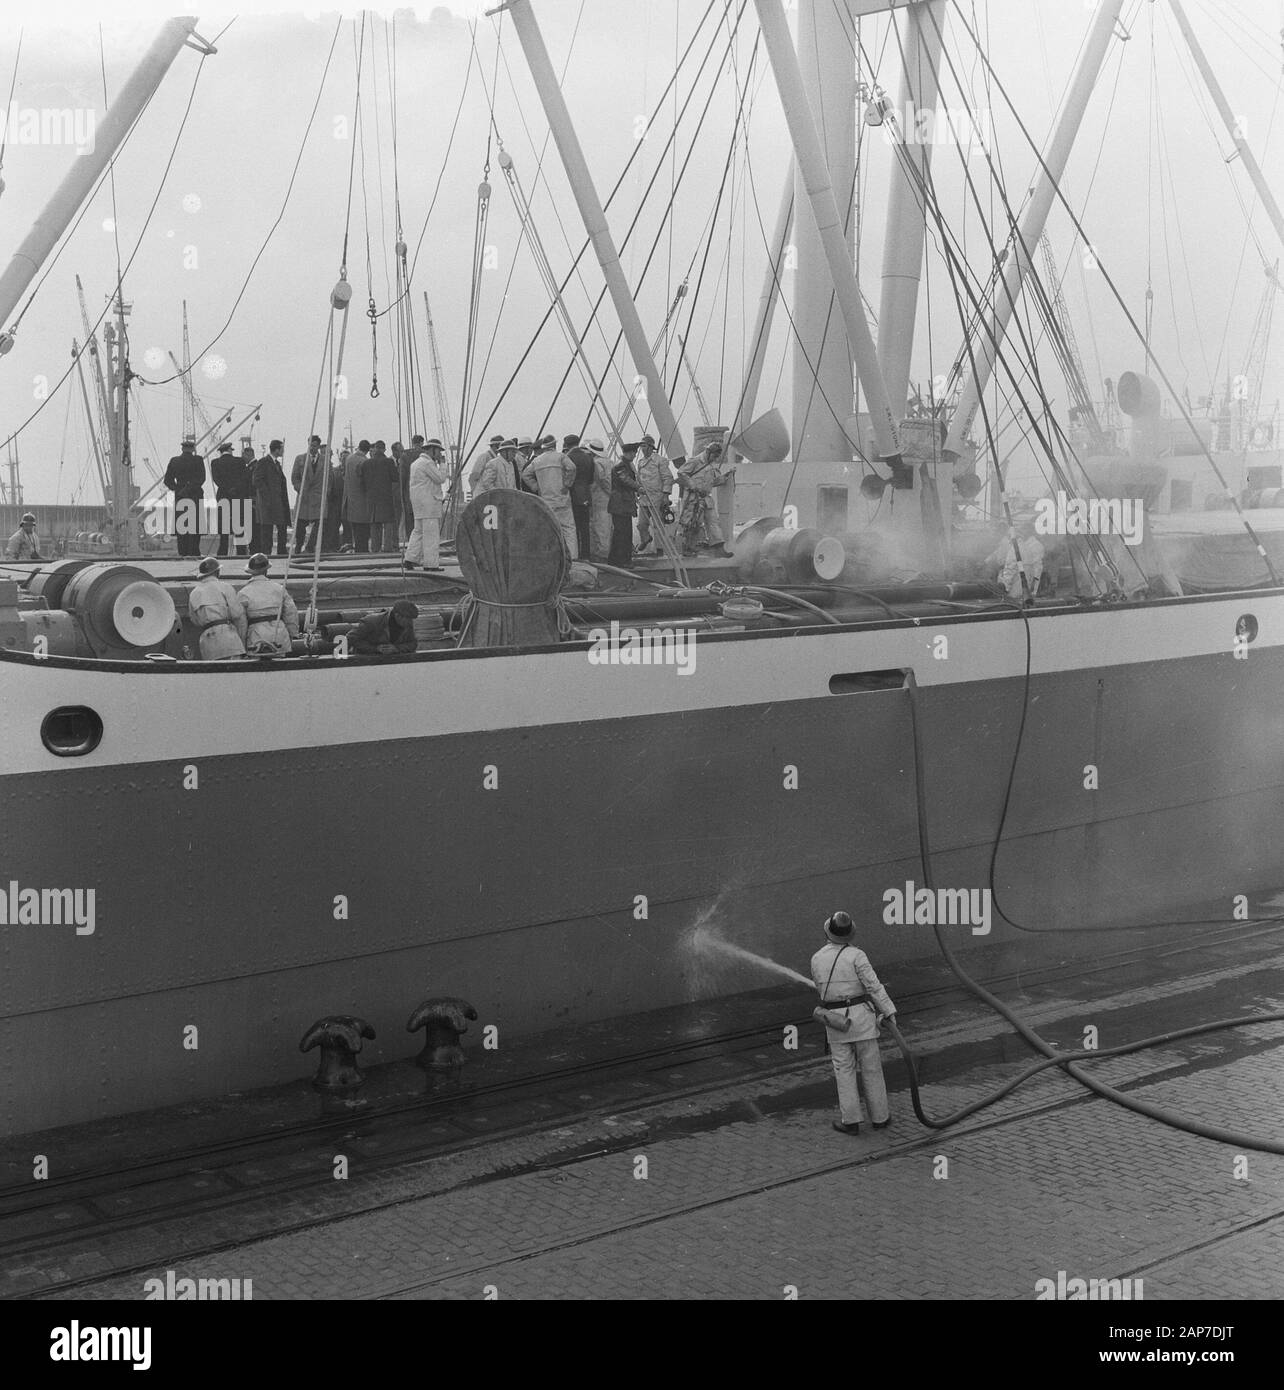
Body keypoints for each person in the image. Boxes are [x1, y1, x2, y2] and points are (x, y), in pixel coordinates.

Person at [809, 911, 897, 1135]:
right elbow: (874, 987)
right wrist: (888, 1011)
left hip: (836, 1022)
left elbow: (821, 988)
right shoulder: (857, 956)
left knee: (844, 1071)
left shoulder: (817, 958)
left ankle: (851, 1122)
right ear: (849, 934)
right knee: (872, 1069)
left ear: (828, 932)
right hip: (862, 1021)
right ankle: (880, 1118)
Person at [521, 433, 578, 555]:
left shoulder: (537, 460)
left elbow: (525, 474)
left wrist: (536, 487)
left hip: (546, 500)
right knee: (568, 529)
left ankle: (551, 557)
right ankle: (572, 558)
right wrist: (567, 484)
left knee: (548, 529)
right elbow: (572, 468)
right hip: (562, 499)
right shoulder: (561, 457)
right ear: (555, 445)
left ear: (543, 447)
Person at [676, 440, 734, 557]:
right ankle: (688, 547)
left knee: (713, 522)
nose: (715, 458)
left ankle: (719, 549)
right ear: (708, 452)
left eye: (717, 456)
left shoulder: (712, 465)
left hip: (706, 498)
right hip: (693, 498)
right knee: (692, 523)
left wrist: (726, 476)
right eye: (714, 455)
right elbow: (681, 473)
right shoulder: (695, 461)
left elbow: (713, 482)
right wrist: (694, 486)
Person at [237, 552, 299, 654]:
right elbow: (291, 612)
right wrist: (292, 634)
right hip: (279, 633)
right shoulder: (279, 589)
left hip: (256, 636)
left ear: (250, 572)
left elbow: (241, 622)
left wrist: (242, 643)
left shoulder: (243, 593)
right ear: (266, 570)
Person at [187, 556, 247, 659]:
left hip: (208, 640)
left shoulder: (194, 593)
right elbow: (237, 614)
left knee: (213, 672)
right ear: (217, 572)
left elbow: (194, 620)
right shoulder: (225, 587)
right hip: (229, 638)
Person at [405, 437, 448, 570]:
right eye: (438, 451)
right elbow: (440, 478)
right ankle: (431, 564)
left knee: (418, 532)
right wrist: (443, 464)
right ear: (432, 450)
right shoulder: (428, 464)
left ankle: (410, 558)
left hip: (418, 505)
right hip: (429, 504)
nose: (440, 454)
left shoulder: (416, 463)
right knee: (431, 535)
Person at [163, 438, 206, 557]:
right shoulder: (198, 460)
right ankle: (194, 551)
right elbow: (201, 478)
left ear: (182, 449)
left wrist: (177, 489)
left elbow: (167, 480)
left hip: (180, 496)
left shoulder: (174, 461)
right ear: (192, 449)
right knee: (195, 526)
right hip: (195, 495)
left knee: (182, 526)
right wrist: (190, 488)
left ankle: (182, 551)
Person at [986, 517, 1044, 603]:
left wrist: (1004, 588)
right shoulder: (1025, 548)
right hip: (1023, 589)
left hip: (1013, 591)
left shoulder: (1015, 550)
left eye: (1008, 537)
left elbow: (1010, 570)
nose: (1007, 539)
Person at [251, 440, 291, 556]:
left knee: (282, 527)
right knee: (267, 530)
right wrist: (267, 496)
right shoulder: (264, 462)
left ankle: (281, 551)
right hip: (268, 504)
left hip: (278, 503)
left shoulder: (276, 464)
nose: (283, 451)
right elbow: (257, 480)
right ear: (276, 449)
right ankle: (266, 553)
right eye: (282, 449)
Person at [635, 434, 670, 555]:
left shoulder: (660, 461)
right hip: (644, 498)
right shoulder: (640, 462)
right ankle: (645, 538)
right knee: (641, 524)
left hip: (657, 498)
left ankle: (660, 549)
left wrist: (666, 495)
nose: (642, 448)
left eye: (644, 446)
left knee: (658, 526)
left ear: (650, 447)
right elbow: (638, 479)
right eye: (641, 446)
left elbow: (667, 478)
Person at [292, 436, 327, 553]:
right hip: (304, 498)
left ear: (318, 446)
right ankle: (298, 546)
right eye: (310, 445)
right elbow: (294, 478)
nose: (312, 448)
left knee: (319, 524)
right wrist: (300, 490)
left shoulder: (324, 460)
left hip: (318, 498)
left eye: (314, 446)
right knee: (300, 526)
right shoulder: (300, 459)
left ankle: (310, 547)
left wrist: (325, 492)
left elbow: (329, 479)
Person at [211, 442, 246, 558]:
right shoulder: (240, 462)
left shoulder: (215, 463)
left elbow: (216, 479)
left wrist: (226, 488)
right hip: (237, 495)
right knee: (238, 525)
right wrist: (234, 488)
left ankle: (222, 551)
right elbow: (243, 478)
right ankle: (241, 552)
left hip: (223, 496)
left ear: (221, 451)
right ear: (230, 450)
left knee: (224, 526)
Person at [365, 440, 401, 552]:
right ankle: (388, 548)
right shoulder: (389, 462)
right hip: (386, 497)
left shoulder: (367, 463)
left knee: (375, 524)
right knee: (388, 523)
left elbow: (362, 480)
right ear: (384, 449)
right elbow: (395, 478)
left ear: (375, 449)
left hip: (372, 498)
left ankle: (375, 549)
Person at [608, 447, 641, 566]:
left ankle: (615, 559)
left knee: (620, 532)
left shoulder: (625, 465)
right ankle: (623, 560)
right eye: (634, 453)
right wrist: (638, 487)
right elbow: (625, 479)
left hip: (622, 503)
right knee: (623, 533)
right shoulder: (621, 466)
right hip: (621, 503)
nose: (634, 455)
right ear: (629, 453)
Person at [349, 599, 419, 654]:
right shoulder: (371, 621)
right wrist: (375, 649)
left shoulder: (407, 624)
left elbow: (413, 644)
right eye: (408, 619)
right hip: (365, 661)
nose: (410, 622)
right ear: (398, 616)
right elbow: (350, 638)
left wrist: (396, 648)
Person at [566, 433, 596, 560]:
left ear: (567, 445)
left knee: (574, 527)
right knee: (585, 526)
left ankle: (576, 554)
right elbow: (591, 478)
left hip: (573, 495)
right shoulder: (588, 458)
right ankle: (586, 554)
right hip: (586, 495)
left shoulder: (567, 458)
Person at [343, 439, 372, 553]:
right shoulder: (364, 461)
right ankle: (362, 550)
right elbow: (365, 480)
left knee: (355, 527)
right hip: (362, 499)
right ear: (367, 450)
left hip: (351, 498)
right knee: (363, 528)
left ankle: (358, 549)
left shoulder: (349, 459)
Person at [588, 439, 614, 561]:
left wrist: (609, 492)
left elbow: (603, 480)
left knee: (600, 527)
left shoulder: (596, 464)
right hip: (609, 500)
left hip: (599, 499)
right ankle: (606, 553)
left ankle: (602, 555)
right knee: (607, 527)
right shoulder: (610, 462)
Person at [398, 436, 423, 542]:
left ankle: (411, 542)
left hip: (409, 492)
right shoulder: (425, 454)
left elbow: (402, 477)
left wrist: (401, 491)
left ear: (412, 443)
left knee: (410, 519)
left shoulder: (405, 455)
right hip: (423, 492)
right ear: (422, 443)